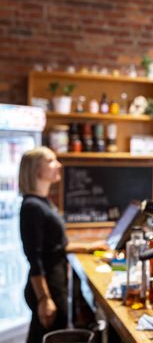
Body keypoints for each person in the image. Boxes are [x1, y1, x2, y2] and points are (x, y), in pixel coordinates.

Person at [18, 147, 104, 343]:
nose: (58, 165)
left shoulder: (43, 202)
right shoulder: (32, 206)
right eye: (50, 161)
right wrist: (44, 299)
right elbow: (35, 258)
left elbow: (54, 245)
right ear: (35, 170)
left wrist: (88, 246)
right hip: (46, 286)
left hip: (54, 281)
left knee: (41, 336)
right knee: (50, 337)